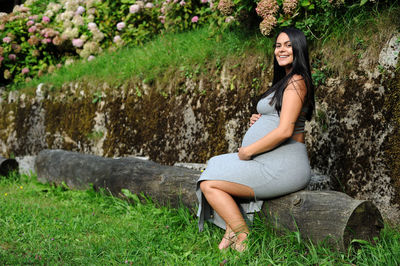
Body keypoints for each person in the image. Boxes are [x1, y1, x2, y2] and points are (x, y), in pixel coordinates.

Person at [196, 27, 315, 252]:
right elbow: (280, 116)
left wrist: (249, 151)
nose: (281, 50)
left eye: (288, 45)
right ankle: (232, 229)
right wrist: (260, 119)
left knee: (209, 182)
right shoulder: (286, 81)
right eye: (278, 45)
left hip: (283, 166)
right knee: (214, 164)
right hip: (270, 160)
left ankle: (242, 234)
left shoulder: (297, 81)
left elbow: (285, 131)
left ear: (299, 48)